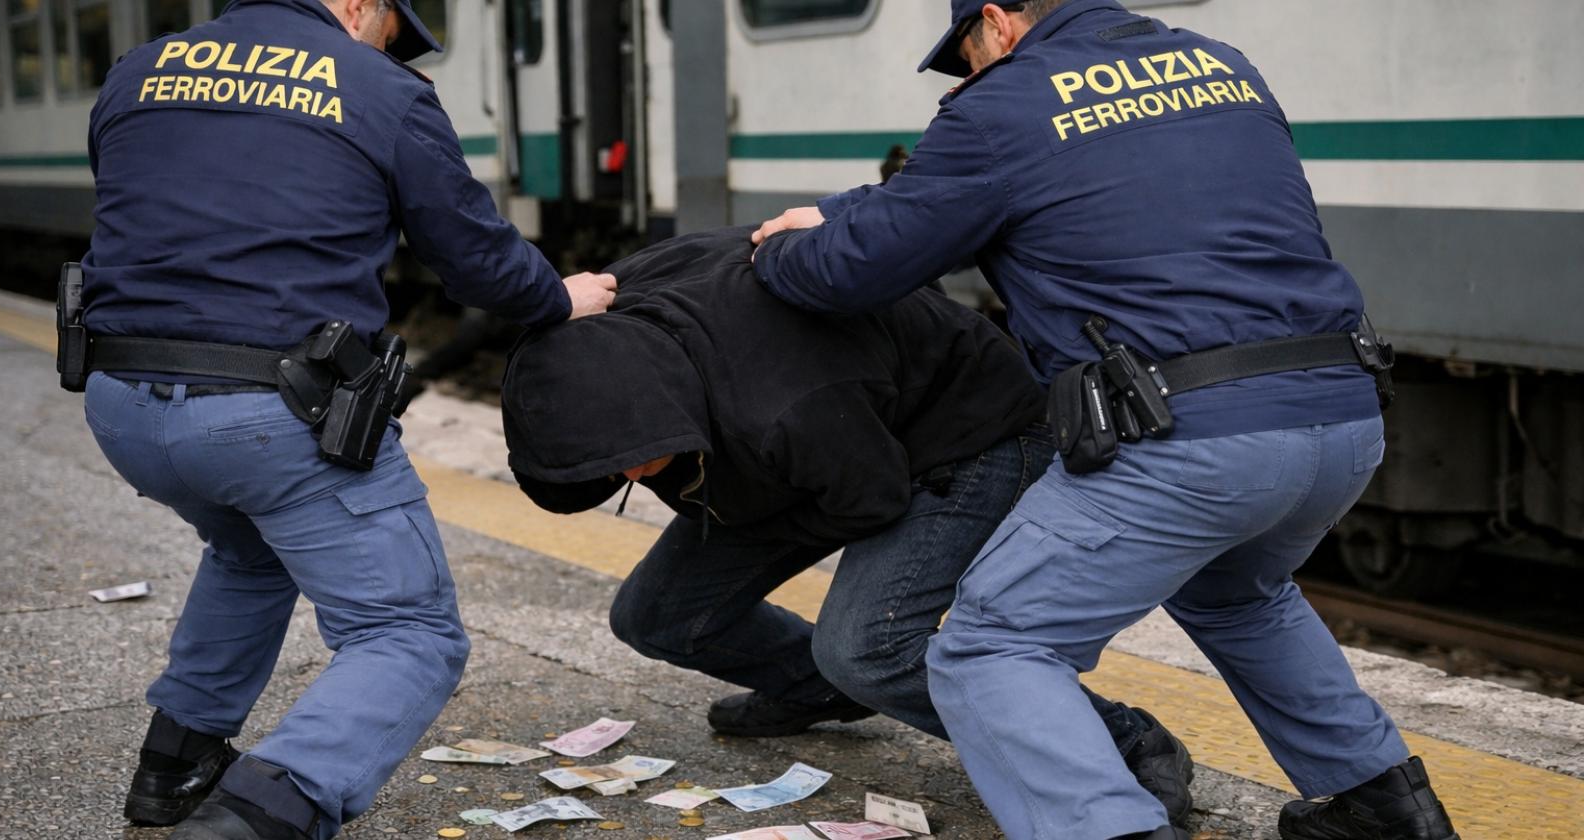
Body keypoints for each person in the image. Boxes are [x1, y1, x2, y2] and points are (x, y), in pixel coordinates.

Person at [748, 2, 1458, 839]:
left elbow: (853, 270)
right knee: (1239, 592)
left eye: (968, 52)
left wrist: (781, 246)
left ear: (998, 22)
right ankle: (1383, 806)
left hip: (1191, 436)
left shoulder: (1003, 103)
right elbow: (1103, 181)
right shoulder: (1220, 63)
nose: (972, 70)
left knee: (991, 647)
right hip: (1340, 412)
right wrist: (855, 206)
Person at [77, 0, 616, 835]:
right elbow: (471, 255)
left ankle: (174, 765)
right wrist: (556, 296)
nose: (382, 48)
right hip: (271, 412)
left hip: (121, 405)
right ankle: (254, 821)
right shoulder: (377, 87)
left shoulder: (136, 70)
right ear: (362, 5)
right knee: (408, 634)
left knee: (249, 549)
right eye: (390, 33)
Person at [501, 226, 1195, 823]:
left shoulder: (785, 410)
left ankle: (1120, 740)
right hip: (821, 449)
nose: (628, 478)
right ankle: (818, 689)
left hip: (965, 437)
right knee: (655, 619)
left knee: (867, 649)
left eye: (636, 458)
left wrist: (738, 497)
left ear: (661, 404)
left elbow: (870, 502)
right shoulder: (610, 320)